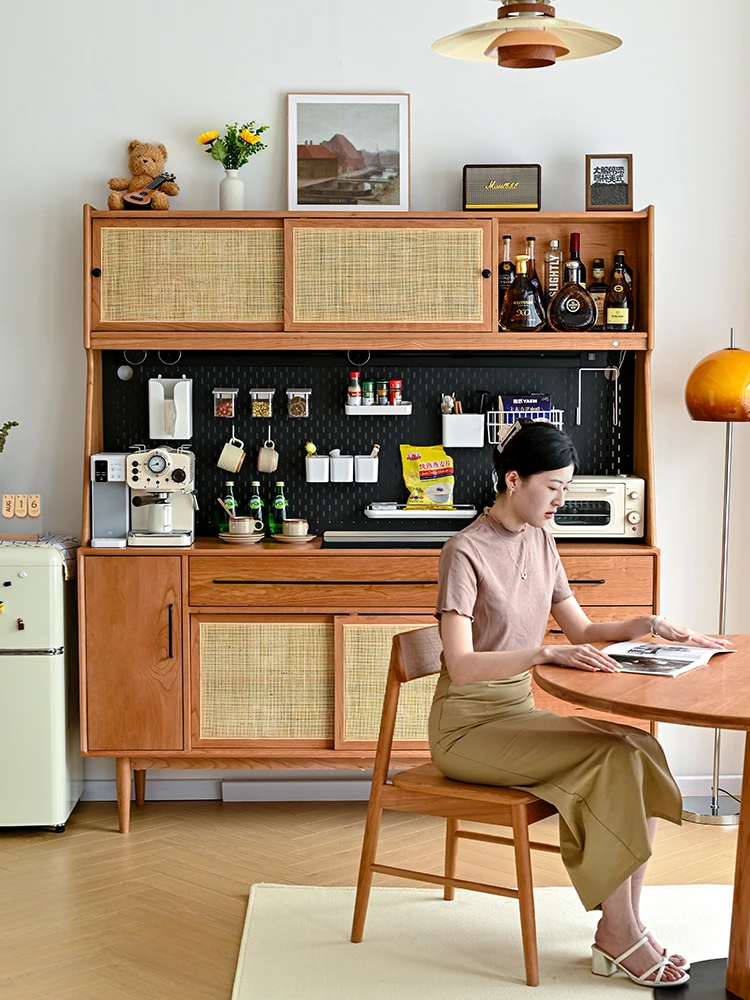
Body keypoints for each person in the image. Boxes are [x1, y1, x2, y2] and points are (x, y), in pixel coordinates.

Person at [429, 419, 733, 989]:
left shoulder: (542, 539)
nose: (561, 500)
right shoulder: (463, 552)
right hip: (467, 728)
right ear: (513, 480)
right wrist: (541, 652)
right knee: (613, 760)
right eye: (553, 487)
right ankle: (617, 934)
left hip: (516, 713)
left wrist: (646, 625)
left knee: (640, 746)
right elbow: (463, 665)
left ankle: (629, 922)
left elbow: (582, 629)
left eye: (567, 487)